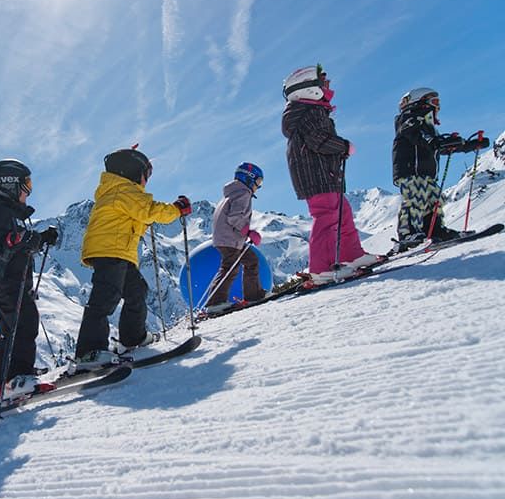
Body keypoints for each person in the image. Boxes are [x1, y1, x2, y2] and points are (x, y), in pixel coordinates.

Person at [73, 147, 192, 371]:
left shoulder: (117, 191)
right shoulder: (124, 191)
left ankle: (133, 337)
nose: (146, 180)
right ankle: (88, 352)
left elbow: (135, 216)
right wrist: (176, 210)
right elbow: (148, 210)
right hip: (111, 250)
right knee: (105, 298)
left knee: (137, 290)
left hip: (118, 251)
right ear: (133, 171)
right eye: (146, 174)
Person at [281, 64, 380, 284]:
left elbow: (318, 141)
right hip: (315, 175)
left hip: (324, 173)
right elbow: (318, 140)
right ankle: (321, 269)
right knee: (327, 215)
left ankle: (351, 255)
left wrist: (338, 151)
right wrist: (342, 146)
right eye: (323, 83)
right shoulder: (310, 113)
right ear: (309, 89)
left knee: (342, 212)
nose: (328, 87)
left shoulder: (309, 112)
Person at [0, 159, 59, 401]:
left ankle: (1, 383)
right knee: (25, 323)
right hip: (5, 281)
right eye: (26, 185)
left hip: (9, 280)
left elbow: (19, 243)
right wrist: (15, 240)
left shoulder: (10, 214)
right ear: (8, 185)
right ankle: (16, 378)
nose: (29, 191)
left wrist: (41, 239)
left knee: (11, 330)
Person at [391, 87, 487, 252]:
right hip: (411, 170)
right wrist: (435, 142)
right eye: (434, 102)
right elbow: (417, 135)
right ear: (419, 102)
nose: (438, 107)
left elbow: (437, 145)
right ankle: (408, 235)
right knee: (415, 200)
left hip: (427, 173)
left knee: (434, 201)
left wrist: (467, 145)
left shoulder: (428, 126)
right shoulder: (408, 119)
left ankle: (434, 230)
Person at [204, 162, 266, 313]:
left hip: (229, 238)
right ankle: (215, 303)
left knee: (251, 260)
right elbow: (235, 218)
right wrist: (248, 232)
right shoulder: (243, 193)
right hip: (230, 239)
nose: (259, 186)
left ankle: (254, 295)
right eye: (258, 182)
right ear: (249, 178)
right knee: (229, 268)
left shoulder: (232, 193)